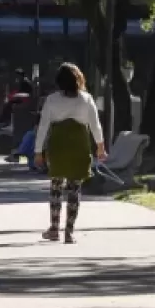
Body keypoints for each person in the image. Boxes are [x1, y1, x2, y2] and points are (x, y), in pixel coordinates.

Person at [34, 63, 106, 244]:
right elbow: (95, 125)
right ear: (79, 79)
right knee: (74, 190)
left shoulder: (51, 100)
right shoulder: (86, 99)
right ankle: (69, 231)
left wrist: (38, 151)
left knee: (56, 188)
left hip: (58, 146)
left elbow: (43, 126)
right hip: (79, 147)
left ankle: (54, 228)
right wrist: (100, 147)